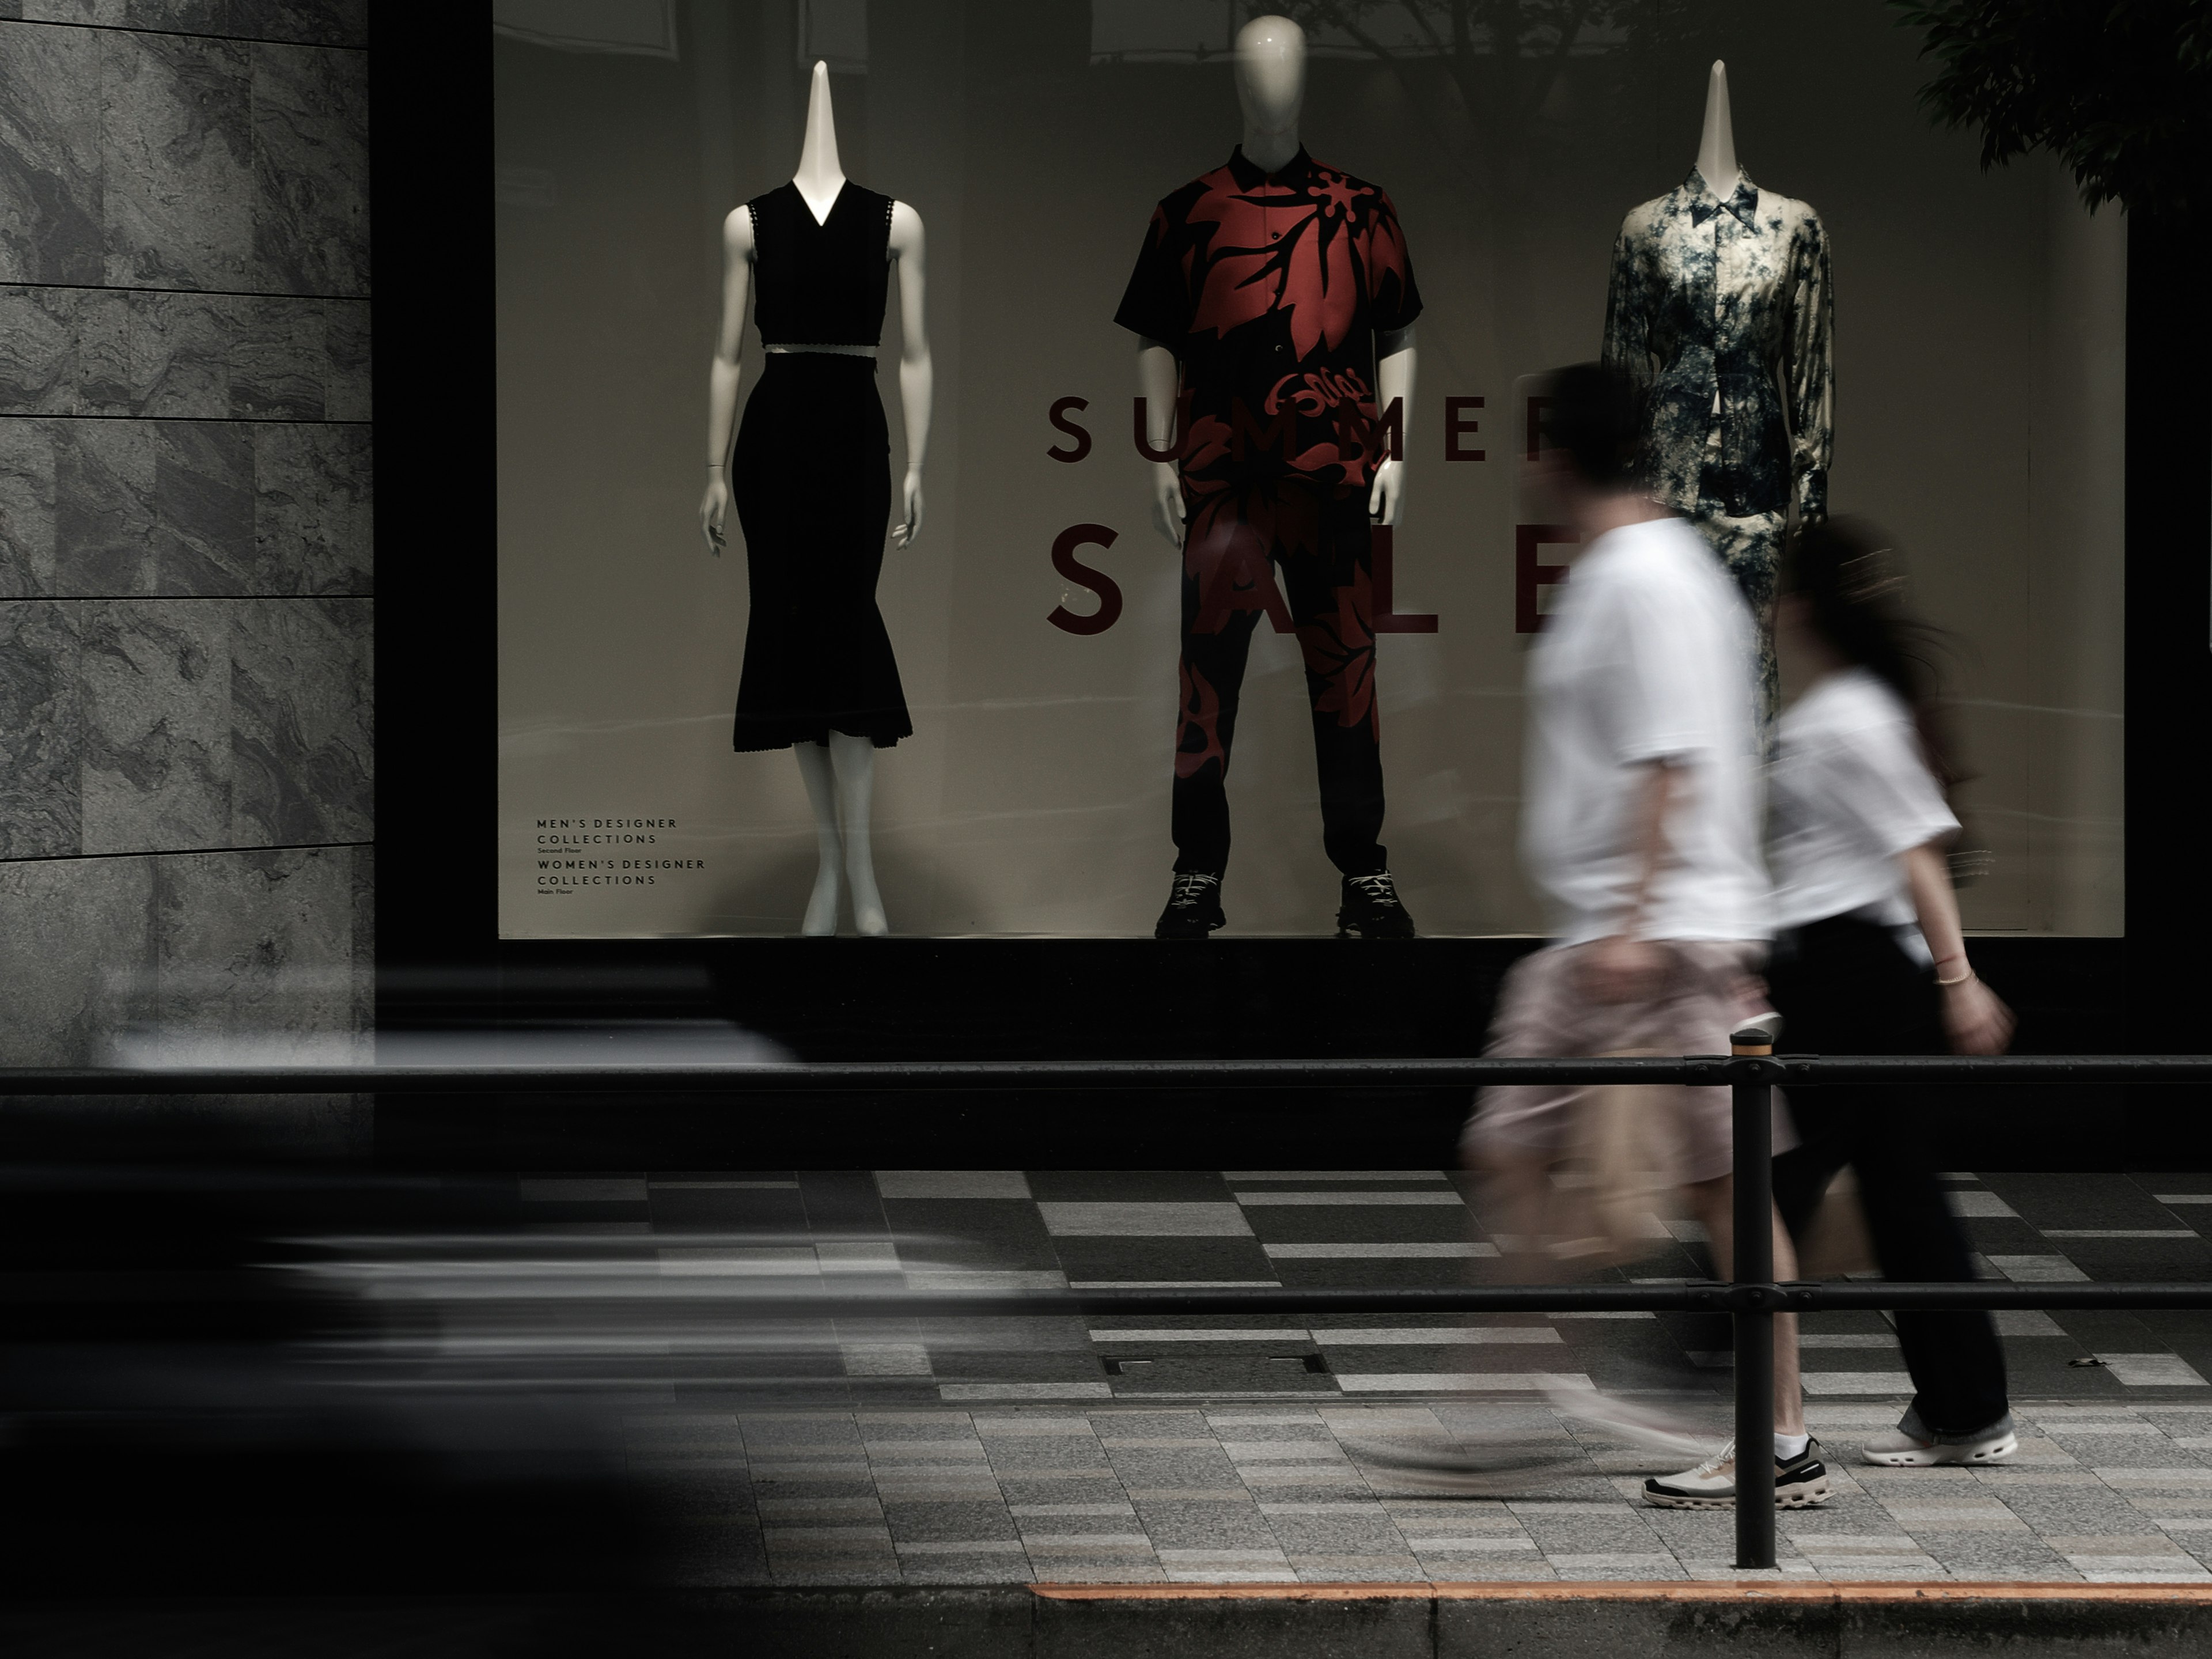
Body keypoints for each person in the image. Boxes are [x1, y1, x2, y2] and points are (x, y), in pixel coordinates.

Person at [1461, 361, 1825, 1510]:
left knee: (1722, 1189)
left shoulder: (1648, 577)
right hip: (1615, 934)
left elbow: (1670, 758)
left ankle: (1781, 1441)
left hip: (1656, 938)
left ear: (1563, 454)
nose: (1524, 468)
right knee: (1510, 1147)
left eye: (1535, 444)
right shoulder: (1636, 571)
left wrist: (1629, 925)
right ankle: (1512, 1404)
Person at [1764, 518, 2017, 1466]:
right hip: (1866, 970)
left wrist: (1959, 980)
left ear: (1804, 607)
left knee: (1772, 1181)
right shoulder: (1860, 708)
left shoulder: (1844, 720)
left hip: (1852, 976)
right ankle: (1965, 1407)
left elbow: (1918, 852)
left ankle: (1701, 1369)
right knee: (1903, 1195)